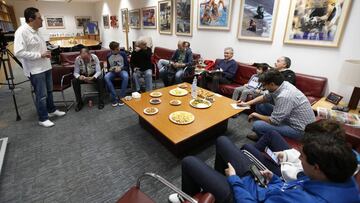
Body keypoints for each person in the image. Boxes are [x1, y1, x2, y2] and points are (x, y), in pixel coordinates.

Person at [169, 120, 359, 203]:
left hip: (246, 196)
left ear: (317, 167)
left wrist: (234, 180)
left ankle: (189, 197)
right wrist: (275, 180)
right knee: (222, 140)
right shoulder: (338, 179)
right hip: (265, 187)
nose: (299, 157)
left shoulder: (304, 200)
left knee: (189, 161)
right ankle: (219, 181)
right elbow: (292, 185)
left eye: (303, 157)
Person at [242, 119, 346, 181]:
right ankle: (248, 161)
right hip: (293, 165)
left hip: (284, 174)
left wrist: (285, 163)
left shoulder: (319, 171)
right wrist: (285, 155)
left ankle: (244, 162)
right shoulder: (332, 151)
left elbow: (297, 176)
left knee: (246, 148)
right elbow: (300, 158)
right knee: (272, 134)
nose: (301, 145)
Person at [14, 7, 65, 127]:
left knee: (49, 91)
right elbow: (19, 52)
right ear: (31, 19)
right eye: (39, 18)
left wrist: (47, 52)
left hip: (46, 66)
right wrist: (39, 55)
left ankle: (51, 110)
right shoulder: (21, 32)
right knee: (41, 95)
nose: (42, 20)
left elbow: (39, 47)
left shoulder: (37, 30)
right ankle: (43, 118)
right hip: (35, 69)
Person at [239, 70, 315, 140]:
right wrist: (246, 103)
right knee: (261, 105)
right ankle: (263, 133)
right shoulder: (282, 84)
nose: (263, 87)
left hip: (299, 130)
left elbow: (274, 121)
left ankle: (264, 136)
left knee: (257, 125)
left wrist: (255, 115)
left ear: (272, 84)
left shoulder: (284, 96)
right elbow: (265, 97)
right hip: (290, 117)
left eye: (263, 85)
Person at [104, 41, 129, 107]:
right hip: (113, 72)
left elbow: (127, 66)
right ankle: (114, 96)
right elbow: (109, 68)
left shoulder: (123, 54)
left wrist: (121, 68)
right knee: (106, 77)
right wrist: (111, 69)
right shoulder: (108, 56)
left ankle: (121, 97)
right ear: (112, 50)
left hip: (122, 70)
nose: (119, 50)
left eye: (119, 48)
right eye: (117, 49)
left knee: (126, 76)